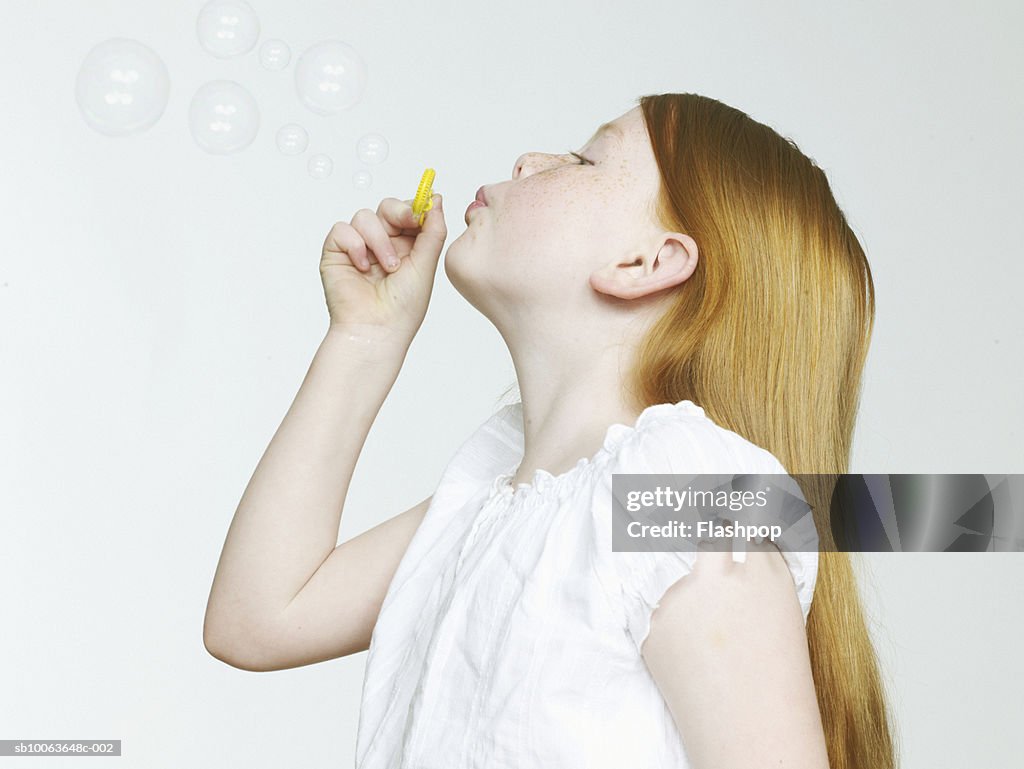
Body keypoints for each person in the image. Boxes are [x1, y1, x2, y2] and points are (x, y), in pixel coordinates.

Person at [204, 93, 897, 769]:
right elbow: (258, 617)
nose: (530, 159)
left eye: (582, 159)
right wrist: (365, 335)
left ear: (644, 263)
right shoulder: (486, 500)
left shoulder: (680, 491)